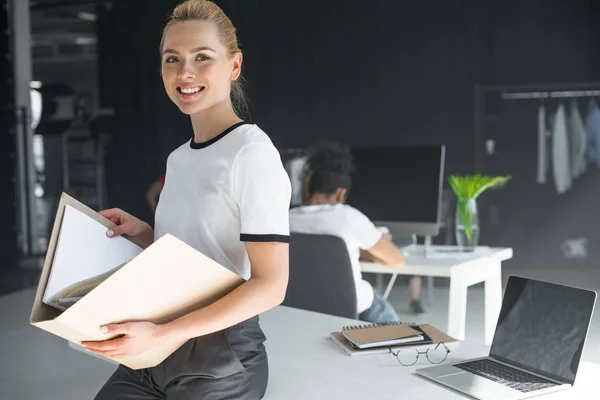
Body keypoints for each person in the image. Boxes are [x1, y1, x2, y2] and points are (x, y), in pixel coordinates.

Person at [83, 1, 291, 399]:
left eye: (202, 57)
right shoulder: (178, 159)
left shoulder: (252, 152)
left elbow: (271, 286)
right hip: (160, 346)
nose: (185, 72)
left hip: (222, 356)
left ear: (234, 66)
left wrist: (162, 333)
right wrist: (145, 235)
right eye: (172, 59)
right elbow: (193, 259)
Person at [289, 141, 423, 325]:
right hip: (354, 308)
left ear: (308, 189)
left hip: (301, 308)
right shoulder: (348, 217)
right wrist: (373, 248)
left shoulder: (286, 219)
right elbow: (397, 260)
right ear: (341, 194)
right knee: (397, 334)